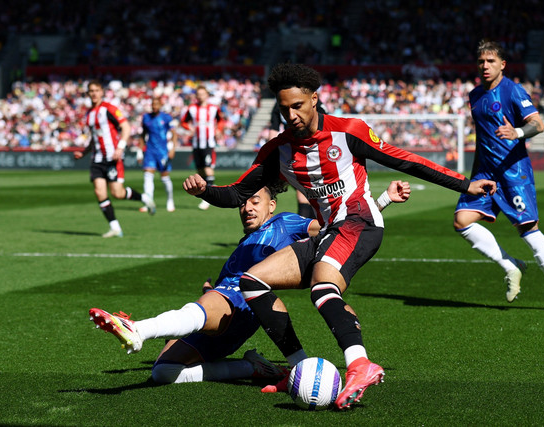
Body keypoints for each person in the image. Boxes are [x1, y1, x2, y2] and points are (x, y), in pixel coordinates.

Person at [183, 63, 496, 409]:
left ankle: (360, 365)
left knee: (322, 286)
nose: (291, 115)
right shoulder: (277, 151)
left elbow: (404, 161)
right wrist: (204, 191)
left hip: (360, 221)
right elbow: (237, 194)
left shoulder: (348, 131)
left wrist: (466, 184)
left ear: (314, 99)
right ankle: (298, 365)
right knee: (252, 281)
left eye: (297, 106)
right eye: (284, 108)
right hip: (330, 231)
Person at [89, 180, 410, 385]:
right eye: (243, 203)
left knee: (209, 303)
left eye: (255, 200)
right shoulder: (244, 244)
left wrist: (380, 201)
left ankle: (138, 329)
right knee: (162, 373)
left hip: (242, 304)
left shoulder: (287, 221)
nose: (247, 207)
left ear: (272, 204)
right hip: (220, 312)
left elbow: (334, 231)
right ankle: (252, 369)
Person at [453, 39, 544, 313]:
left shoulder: (512, 90)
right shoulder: (474, 96)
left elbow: (538, 124)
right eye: (482, 61)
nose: (485, 66)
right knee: (462, 220)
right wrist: (474, 175)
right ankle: (510, 265)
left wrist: (517, 132)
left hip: (513, 173)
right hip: (485, 172)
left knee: (527, 230)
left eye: (491, 61)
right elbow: (483, 138)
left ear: (502, 65)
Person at [74, 80, 155, 238]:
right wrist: (83, 153)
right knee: (100, 192)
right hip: (97, 159)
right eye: (91, 91)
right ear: (88, 93)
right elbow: (94, 138)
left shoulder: (109, 109)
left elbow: (126, 127)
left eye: (97, 90)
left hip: (112, 157)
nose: (94, 93)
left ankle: (145, 198)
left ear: (102, 92)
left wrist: (120, 147)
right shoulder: (89, 114)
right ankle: (115, 227)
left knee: (117, 193)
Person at [269, 99, 327, 219]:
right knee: (307, 194)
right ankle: (310, 232)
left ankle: (309, 232)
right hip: (301, 153)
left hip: (306, 152)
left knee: (308, 195)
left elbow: (273, 133)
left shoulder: (282, 102)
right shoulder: (310, 99)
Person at [181, 86, 222, 211]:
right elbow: (183, 122)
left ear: (206, 95)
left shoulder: (214, 108)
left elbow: (220, 121)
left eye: (202, 94)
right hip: (196, 143)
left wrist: (218, 129)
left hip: (208, 143)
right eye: (198, 94)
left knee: (208, 169)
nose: (200, 96)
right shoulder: (192, 108)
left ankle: (209, 197)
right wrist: (189, 128)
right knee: (200, 171)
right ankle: (207, 192)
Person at [138, 96, 177, 213]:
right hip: (150, 151)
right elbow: (143, 135)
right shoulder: (146, 117)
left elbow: (174, 134)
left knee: (164, 177)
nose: (154, 107)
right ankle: (148, 202)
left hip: (163, 152)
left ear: (160, 105)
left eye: (157, 104)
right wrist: (140, 152)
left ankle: (170, 200)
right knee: (147, 177)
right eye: (153, 104)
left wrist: (172, 149)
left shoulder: (166, 117)